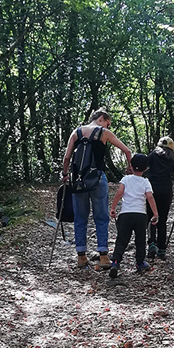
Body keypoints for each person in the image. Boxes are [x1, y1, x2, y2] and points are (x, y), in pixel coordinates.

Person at [62, 109, 132, 269]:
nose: (109, 126)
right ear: (102, 119)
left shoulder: (77, 132)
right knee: (101, 217)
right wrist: (129, 168)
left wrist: (65, 174)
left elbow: (67, 157)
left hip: (78, 182)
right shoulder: (104, 133)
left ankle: (81, 256)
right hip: (98, 179)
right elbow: (127, 150)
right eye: (108, 123)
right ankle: (103, 256)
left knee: (80, 218)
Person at [108, 153, 159, 278]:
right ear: (146, 168)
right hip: (140, 215)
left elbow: (119, 192)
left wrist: (113, 207)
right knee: (140, 240)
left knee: (122, 239)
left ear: (131, 166)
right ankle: (140, 262)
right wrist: (156, 213)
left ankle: (115, 262)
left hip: (125, 214)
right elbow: (150, 197)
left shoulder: (126, 179)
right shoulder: (146, 182)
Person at [146, 136, 174, 260]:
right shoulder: (170, 160)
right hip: (165, 191)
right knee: (162, 219)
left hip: (151, 191)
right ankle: (162, 248)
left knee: (151, 217)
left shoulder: (152, 156)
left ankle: (152, 243)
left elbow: (143, 168)